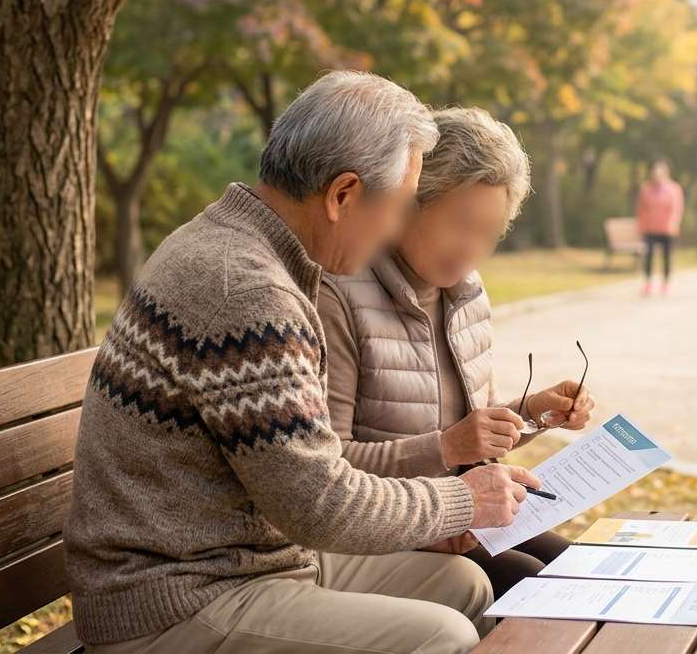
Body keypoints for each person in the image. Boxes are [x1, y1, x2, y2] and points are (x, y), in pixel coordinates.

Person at [66, 72, 541, 654]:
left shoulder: (239, 246)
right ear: (342, 195)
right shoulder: (245, 292)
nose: (395, 230)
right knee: (439, 637)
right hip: (177, 596)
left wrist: (439, 515)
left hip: (256, 557)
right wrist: (463, 502)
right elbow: (320, 502)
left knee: (465, 586)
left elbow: (305, 481)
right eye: (396, 209)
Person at [318, 107, 594, 599]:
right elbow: (324, 466)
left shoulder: (467, 294)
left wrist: (531, 414)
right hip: (390, 529)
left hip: (466, 517)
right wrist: (446, 447)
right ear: (409, 203)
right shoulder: (340, 295)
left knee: (579, 567)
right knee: (538, 586)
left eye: (488, 232)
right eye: (459, 223)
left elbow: (473, 441)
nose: (471, 248)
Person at [635, 159, 685, 296]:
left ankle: (666, 282)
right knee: (649, 255)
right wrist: (641, 226)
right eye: (654, 172)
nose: (656, 175)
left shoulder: (673, 189)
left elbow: (676, 208)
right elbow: (641, 208)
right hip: (650, 228)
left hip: (667, 229)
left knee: (666, 256)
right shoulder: (646, 189)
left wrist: (674, 223)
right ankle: (648, 282)